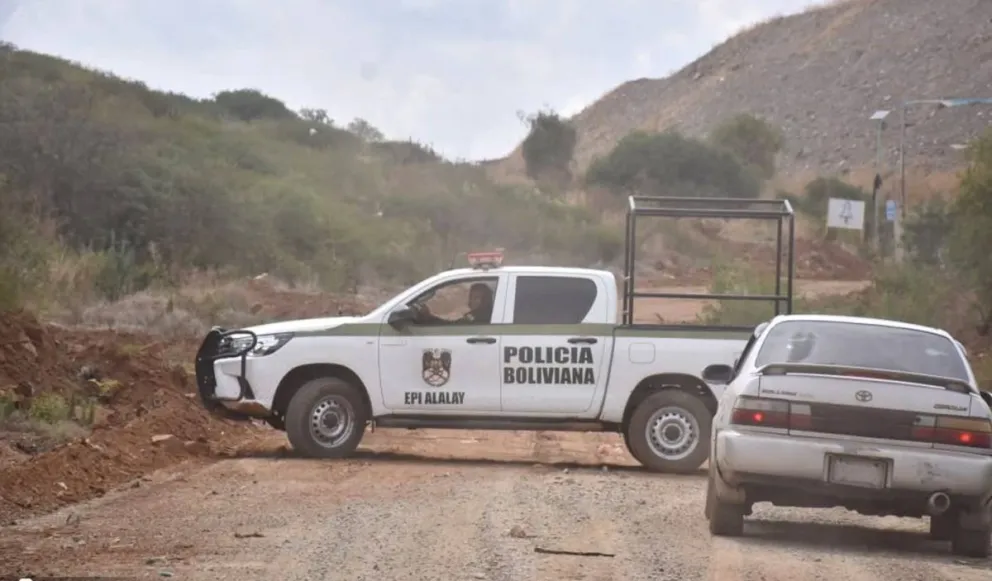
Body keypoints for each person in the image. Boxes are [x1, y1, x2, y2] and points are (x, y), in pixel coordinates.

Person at [411, 282, 494, 325]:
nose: (471, 300)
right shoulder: (489, 315)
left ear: (485, 300)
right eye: (471, 296)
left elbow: (452, 327)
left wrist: (430, 318)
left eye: (476, 298)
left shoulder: (478, 317)